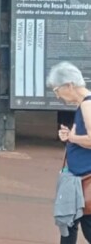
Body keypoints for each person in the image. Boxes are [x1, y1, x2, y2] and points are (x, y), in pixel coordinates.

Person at [50, 62, 91, 244]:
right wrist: (70, 137)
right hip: (78, 178)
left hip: (85, 178)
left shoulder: (87, 105)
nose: (57, 95)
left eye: (57, 90)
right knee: (69, 224)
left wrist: (72, 138)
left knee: (81, 225)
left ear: (69, 85)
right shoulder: (83, 104)